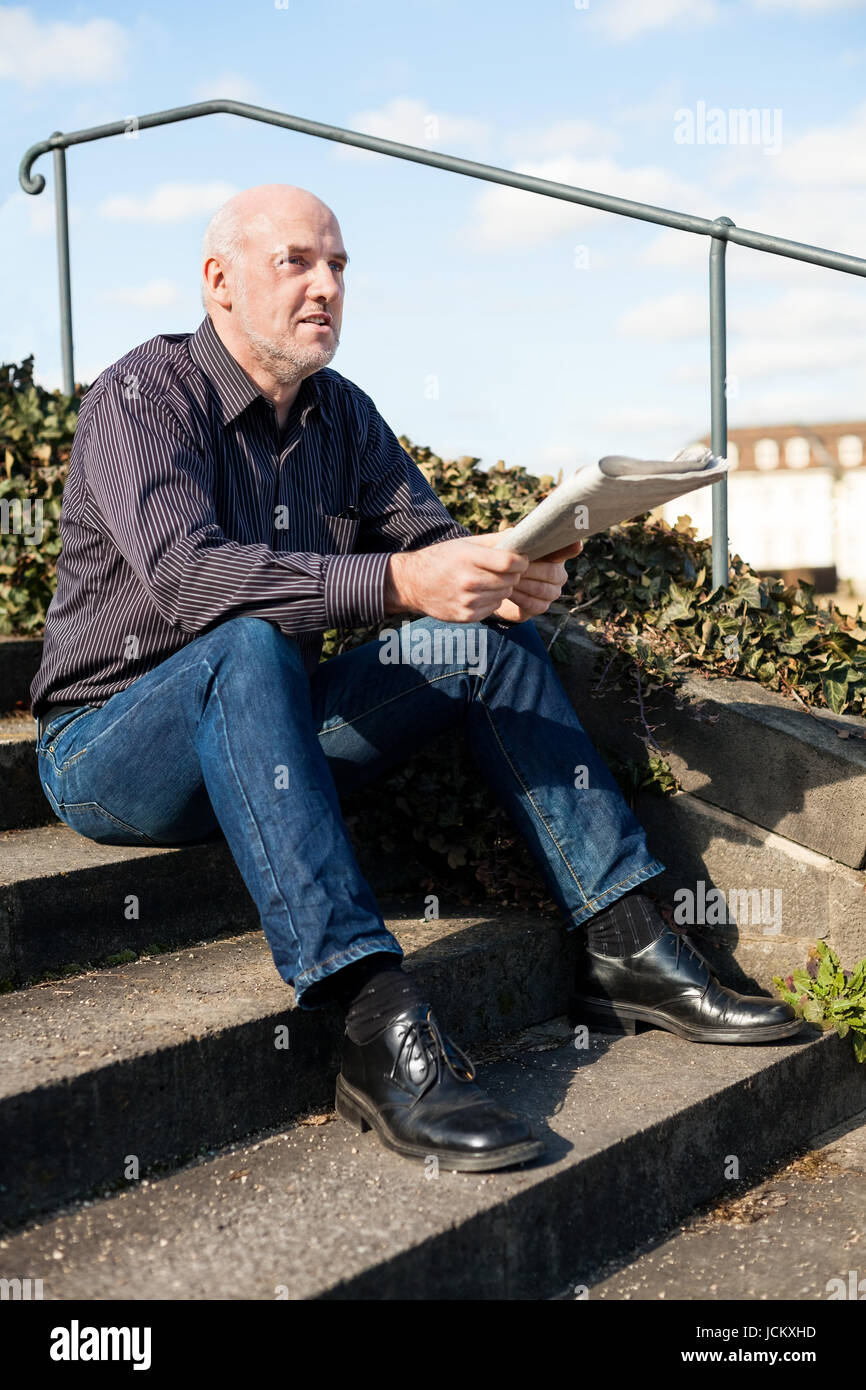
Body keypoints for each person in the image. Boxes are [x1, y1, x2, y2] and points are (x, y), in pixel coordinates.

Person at [31, 184, 800, 1175]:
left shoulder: (342, 416)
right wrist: (402, 580)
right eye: (297, 261)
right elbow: (192, 584)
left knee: (476, 642)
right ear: (219, 281)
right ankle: (369, 1020)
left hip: (271, 724)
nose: (326, 287)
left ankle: (624, 940)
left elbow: (429, 551)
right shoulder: (140, 397)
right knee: (248, 638)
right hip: (111, 746)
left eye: (339, 266)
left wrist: (511, 575)